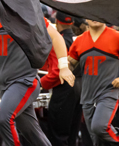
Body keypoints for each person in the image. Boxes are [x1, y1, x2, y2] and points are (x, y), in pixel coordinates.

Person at [0, 0, 74, 146]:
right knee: (32, 134)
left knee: (2, 117)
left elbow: (56, 36)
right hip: (3, 87)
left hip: (24, 82)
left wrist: (64, 66)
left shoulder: (27, 16)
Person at [68, 19, 119, 146]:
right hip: (87, 95)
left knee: (100, 127)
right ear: (85, 17)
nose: (94, 17)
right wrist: (64, 69)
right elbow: (71, 62)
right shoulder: (79, 41)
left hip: (108, 91)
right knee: (96, 138)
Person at [39, 12, 81, 146]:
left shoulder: (57, 40)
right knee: (72, 133)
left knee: (58, 134)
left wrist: (40, 84)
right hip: (78, 87)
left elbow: (57, 72)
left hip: (63, 89)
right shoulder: (76, 40)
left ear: (57, 22)